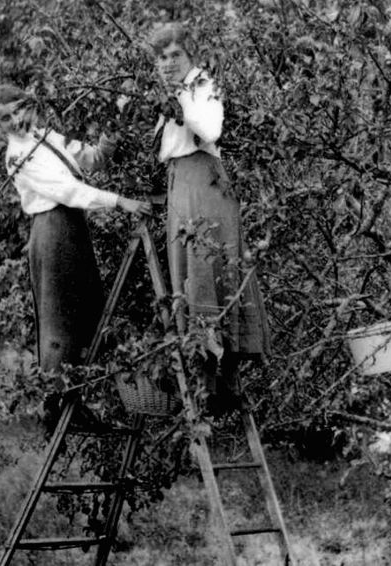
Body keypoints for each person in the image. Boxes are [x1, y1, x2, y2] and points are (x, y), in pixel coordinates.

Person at [0, 85, 152, 374]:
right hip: (51, 231)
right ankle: (56, 401)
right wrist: (120, 201)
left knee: (88, 314)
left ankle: (88, 404)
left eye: (18, 110)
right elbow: (66, 190)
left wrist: (111, 129)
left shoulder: (47, 136)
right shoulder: (18, 157)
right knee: (60, 323)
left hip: (73, 227)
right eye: (5, 118)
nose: (15, 120)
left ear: (29, 106)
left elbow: (92, 158)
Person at [149, 23, 271, 412]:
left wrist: (182, 100)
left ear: (191, 56)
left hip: (204, 184)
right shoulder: (170, 92)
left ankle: (219, 382)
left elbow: (210, 129)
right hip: (181, 185)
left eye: (176, 56)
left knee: (208, 273)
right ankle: (210, 382)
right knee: (191, 273)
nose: (168, 64)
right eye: (162, 57)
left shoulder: (202, 85)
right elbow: (162, 147)